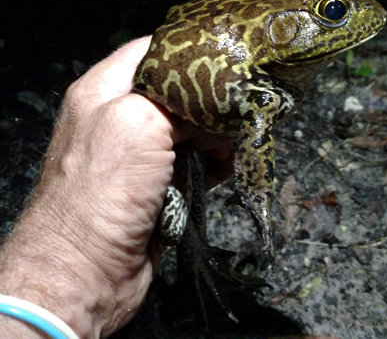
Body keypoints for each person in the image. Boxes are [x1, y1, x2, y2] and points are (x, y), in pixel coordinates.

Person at [0, 37, 234, 338]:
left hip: (186, 176)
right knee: (179, 224)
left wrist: (71, 267)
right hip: (178, 193)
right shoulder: (148, 123)